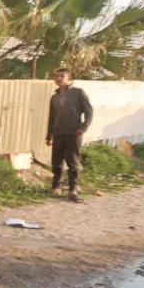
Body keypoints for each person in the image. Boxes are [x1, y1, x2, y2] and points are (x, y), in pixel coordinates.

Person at [45, 67, 93, 202]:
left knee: (72, 161)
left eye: (62, 76)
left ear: (69, 78)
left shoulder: (78, 93)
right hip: (58, 132)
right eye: (56, 76)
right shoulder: (54, 97)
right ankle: (56, 186)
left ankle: (73, 189)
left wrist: (83, 127)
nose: (58, 78)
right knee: (56, 161)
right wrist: (49, 135)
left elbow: (89, 111)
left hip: (73, 132)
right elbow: (52, 117)